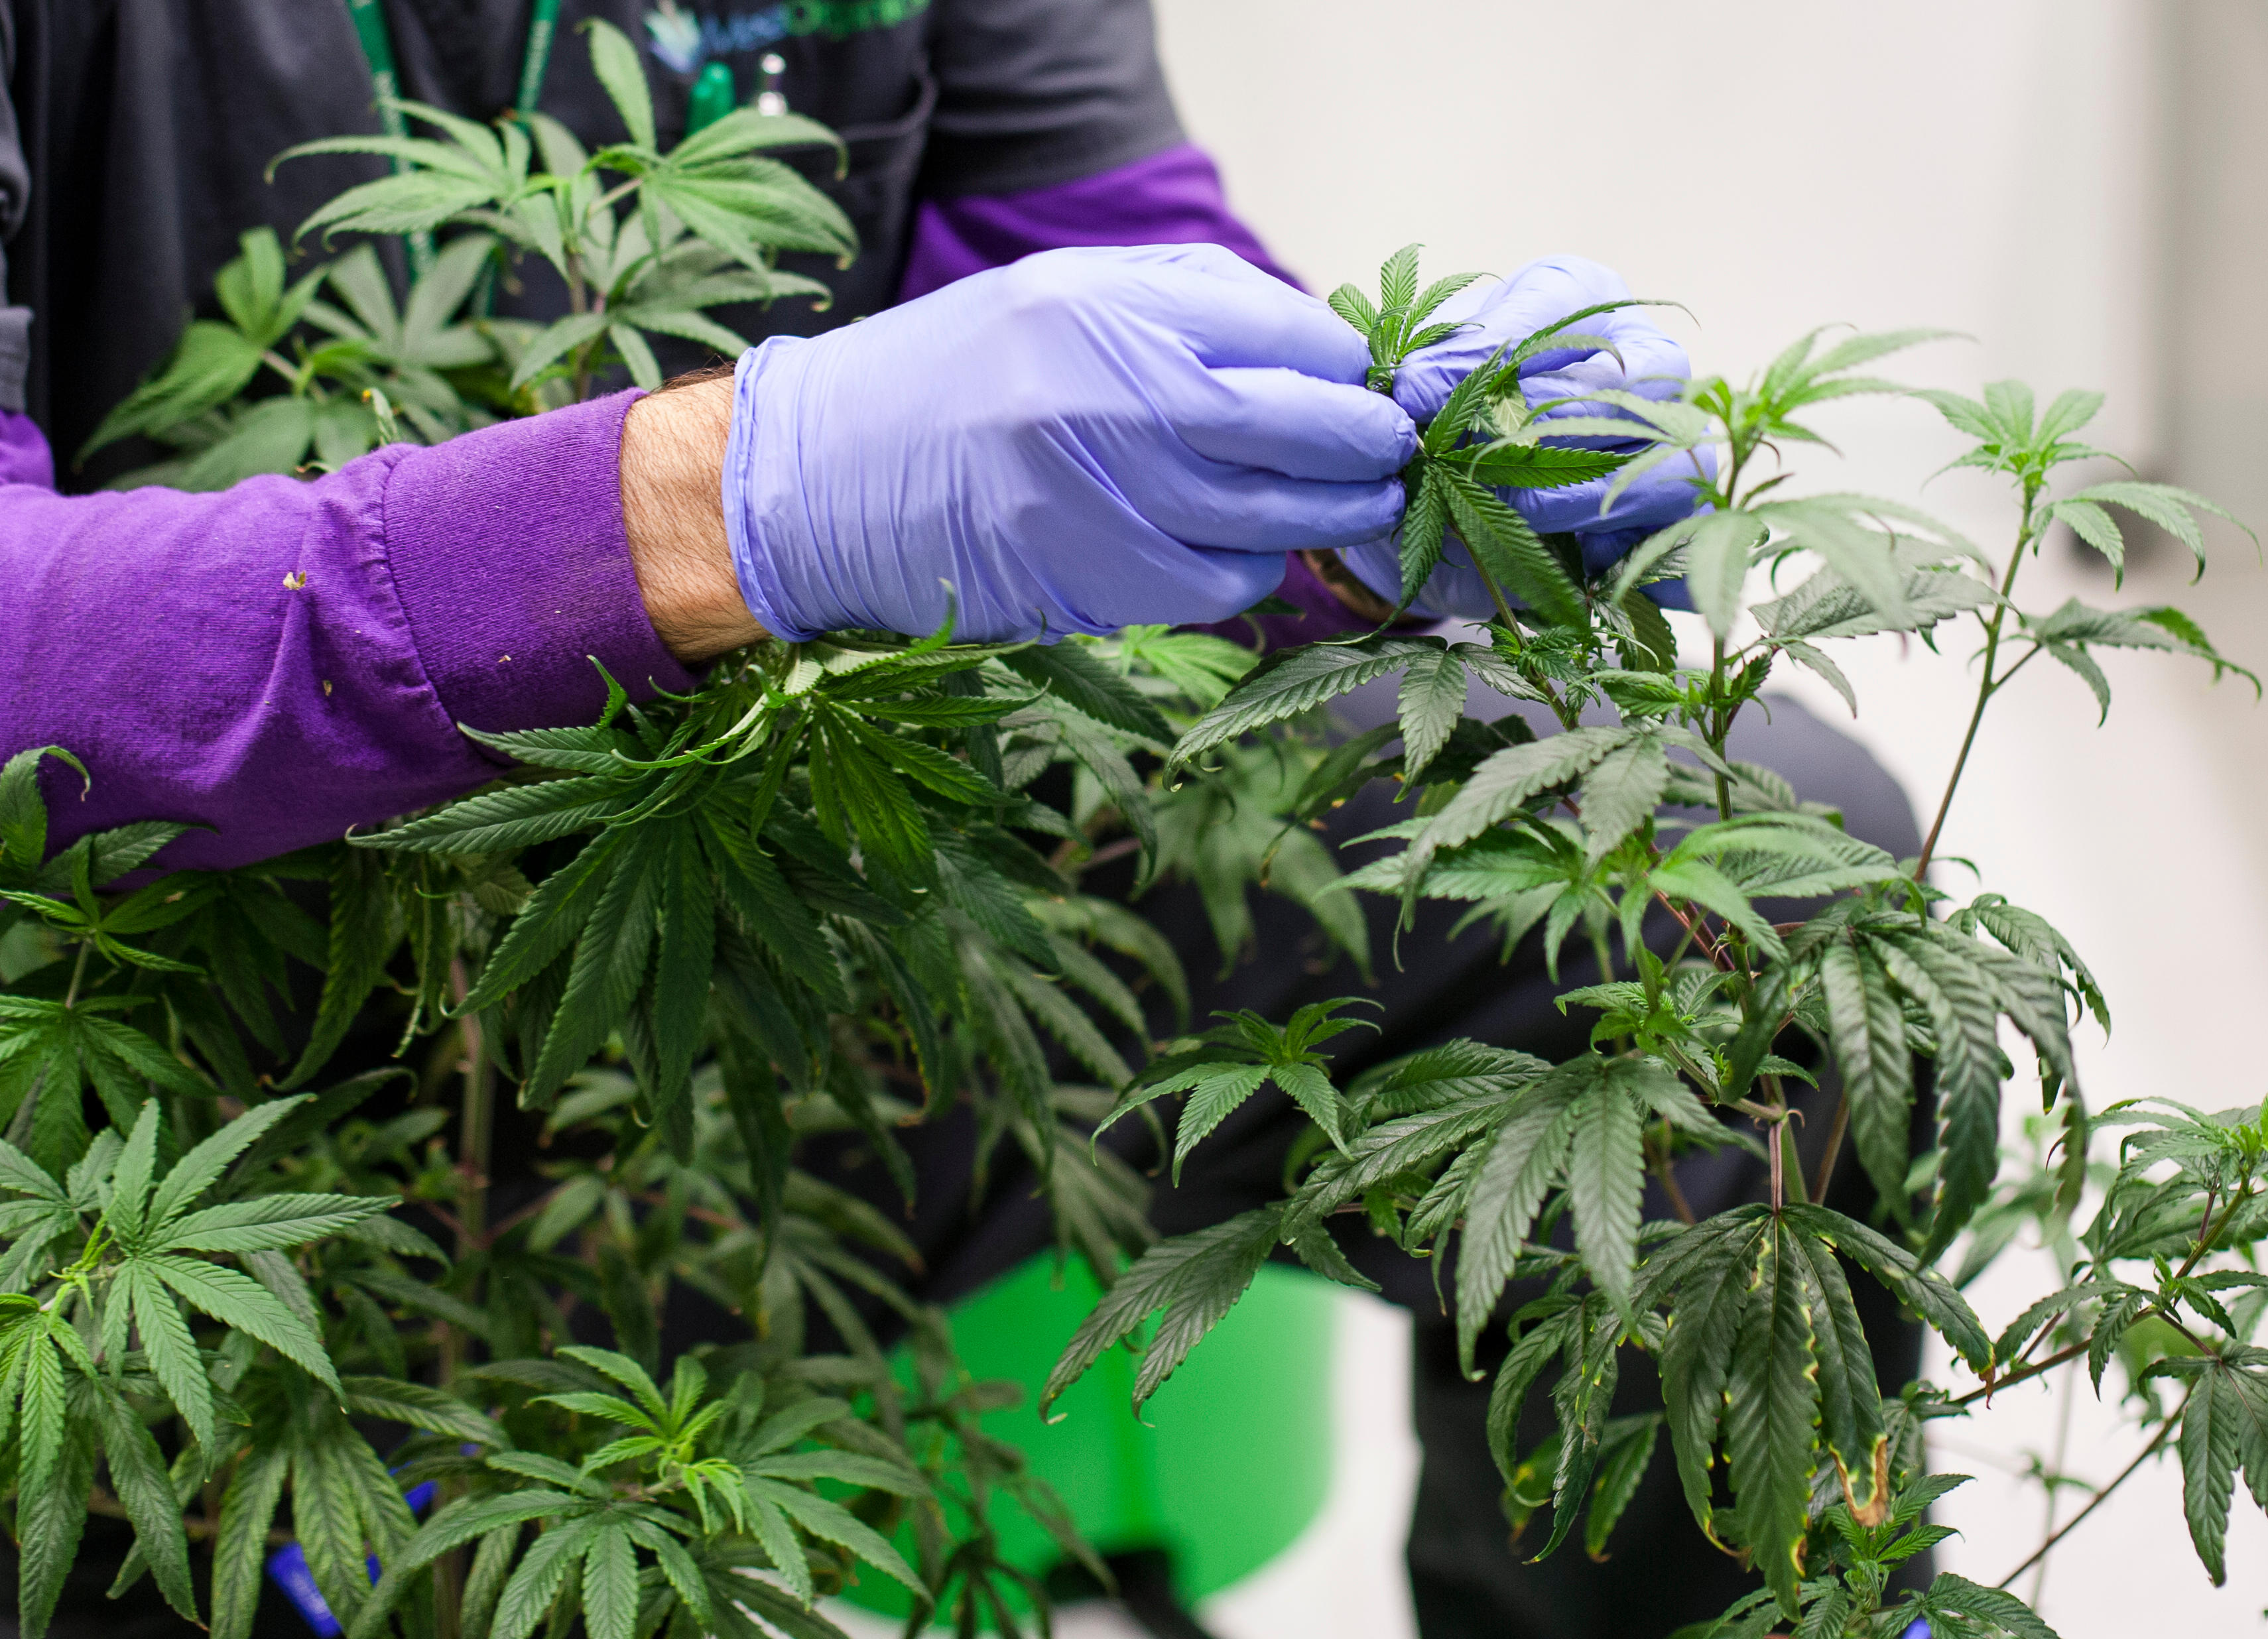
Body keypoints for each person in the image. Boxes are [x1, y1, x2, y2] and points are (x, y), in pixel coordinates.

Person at [0, 6, 1922, 1636]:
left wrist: (1353, 496)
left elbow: (1109, 254)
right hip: (146, 1098)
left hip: (760, 935)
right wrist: (722, 493)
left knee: (1749, 905)